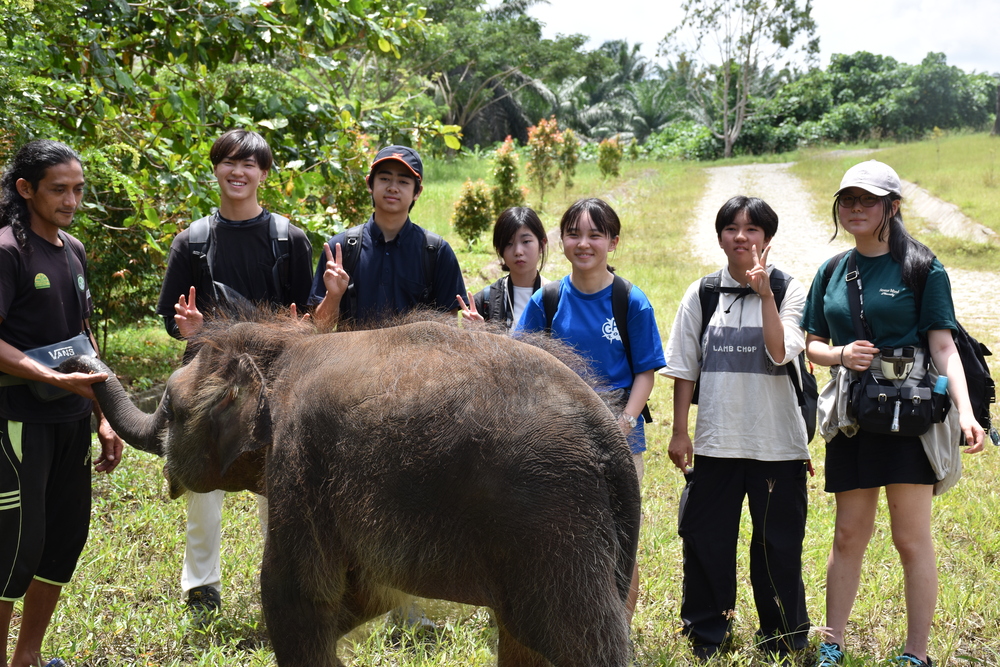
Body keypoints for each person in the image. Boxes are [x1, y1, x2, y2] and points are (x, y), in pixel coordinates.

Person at [802, 160, 984, 667]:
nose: (856, 209)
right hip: (855, 415)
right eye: (848, 200)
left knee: (910, 539)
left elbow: (945, 347)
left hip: (910, 416)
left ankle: (916, 653)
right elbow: (812, 343)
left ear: (892, 207)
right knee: (847, 534)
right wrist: (840, 356)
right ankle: (831, 644)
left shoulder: (923, 268)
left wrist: (968, 415)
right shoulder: (833, 271)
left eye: (868, 200)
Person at [156, 129, 313, 623]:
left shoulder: (290, 239)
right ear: (216, 169)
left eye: (250, 164)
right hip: (208, 380)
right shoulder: (192, 241)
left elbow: (305, 319)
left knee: (278, 484)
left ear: (265, 174)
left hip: (276, 379)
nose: (238, 172)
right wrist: (189, 328)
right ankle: (201, 586)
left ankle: (281, 583)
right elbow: (171, 317)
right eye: (229, 162)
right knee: (204, 484)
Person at [659, 196, 811, 660]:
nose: (741, 236)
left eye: (752, 229)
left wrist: (764, 295)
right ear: (720, 235)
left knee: (778, 547)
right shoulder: (702, 293)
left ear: (768, 237)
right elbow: (685, 368)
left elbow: (781, 351)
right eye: (731, 227)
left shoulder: (790, 290)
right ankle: (707, 632)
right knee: (707, 541)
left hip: (778, 446)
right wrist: (680, 431)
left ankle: (782, 637)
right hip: (716, 443)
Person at [0, 140, 124, 667]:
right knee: (15, 551)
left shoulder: (72, 250)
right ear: (26, 189)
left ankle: (29, 659)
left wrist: (105, 417)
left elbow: (81, 335)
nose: (71, 199)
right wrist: (44, 374)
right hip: (19, 420)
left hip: (72, 415)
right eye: (59, 189)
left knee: (63, 542)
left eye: (77, 189)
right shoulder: (8, 250)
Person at [514, 197, 665, 623]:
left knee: (621, 536)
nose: (584, 243)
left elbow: (645, 373)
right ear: (560, 241)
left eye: (595, 235)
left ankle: (620, 629)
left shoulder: (631, 302)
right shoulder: (547, 299)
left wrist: (625, 420)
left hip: (621, 433)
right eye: (574, 233)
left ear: (612, 242)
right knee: (560, 532)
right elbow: (526, 363)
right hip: (559, 436)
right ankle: (566, 626)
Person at [310, 145, 465, 330]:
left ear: (417, 192)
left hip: (414, 358)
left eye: (403, 182)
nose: (393, 188)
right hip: (354, 358)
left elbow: (449, 328)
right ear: (369, 183)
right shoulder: (340, 249)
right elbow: (321, 327)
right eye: (384, 179)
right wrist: (333, 296)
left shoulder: (436, 252)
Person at [457, 206, 549, 328]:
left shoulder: (558, 298)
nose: (518, 251)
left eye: (526, 241)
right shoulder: (484, 302)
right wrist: (478, 335)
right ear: (500, 251)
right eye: (509, 244)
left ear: (542, 245)